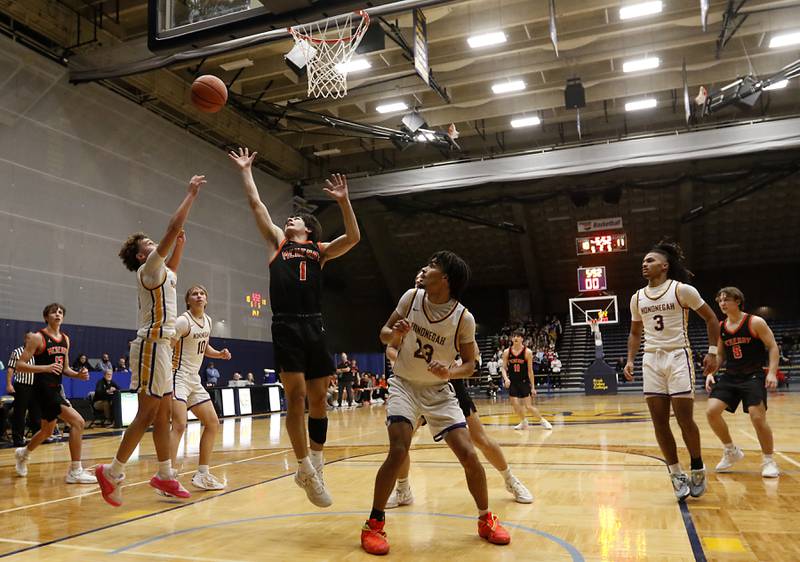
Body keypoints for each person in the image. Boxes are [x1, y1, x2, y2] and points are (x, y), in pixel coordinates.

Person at [230, 147, 359, 508]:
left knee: (320, 399)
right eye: (288, 219)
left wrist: (344, 202)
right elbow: (257, 206)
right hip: (286, 325)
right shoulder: (277, 243)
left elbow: (353, 238)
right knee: (297, 396)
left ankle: (314, 465)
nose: (290, 221)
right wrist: (245, 172)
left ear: (308, 228)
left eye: (296, 220)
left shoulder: (320, 250)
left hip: (314, 326)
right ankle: (302, 464)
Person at [361, 252, 511, 556]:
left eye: (432, 266)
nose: (425, 269)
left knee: (469, 453)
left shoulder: (462, 318)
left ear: (445, 279)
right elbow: (383, 334)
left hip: (438, 390)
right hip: (404, 384)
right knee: (399, 448)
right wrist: (396, 334)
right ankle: (374, 524)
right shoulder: (411, 297)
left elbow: (470, 365)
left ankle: (485, 519)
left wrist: (450, 371)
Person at [95, 174, 206, 507]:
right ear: (143, 256)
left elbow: (173, 263)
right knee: (146, 413)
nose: (153, 243)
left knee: (163, 416)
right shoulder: (148, 271)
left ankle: (165, 475)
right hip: (150, 345)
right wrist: (190, 195)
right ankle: (112, 472)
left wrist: (181, 246)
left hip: (163, 347)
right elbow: (171, 229)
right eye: (148, 244)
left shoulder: (164, 272)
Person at [624, 240, 720, 502]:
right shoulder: (637, 297)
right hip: (651, 359)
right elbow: (635, 332)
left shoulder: (682, 290)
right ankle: (676, 473)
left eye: (650, 260)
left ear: (664, 266)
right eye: (643, 261)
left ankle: (697, 467)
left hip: (678, 355)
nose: (645, 264)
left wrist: (712, 351)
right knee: (659, 421)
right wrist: (631, 359)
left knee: (684, 418)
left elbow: (712, 319)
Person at [13, 303, 97, 484]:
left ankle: (23, 453)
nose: (57, 314)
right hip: (42, 389)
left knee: (46, 430)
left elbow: (65, 368)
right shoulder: (37, 337)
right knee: (78, 422)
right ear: (46, 317)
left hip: (55, 388)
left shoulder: (65, 339)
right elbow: (19, 365)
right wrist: (45, 368)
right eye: (53, 312)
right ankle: (75, 471)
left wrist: (78, 375)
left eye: (60, 312)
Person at [705, 287, 780, 478]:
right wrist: (711, 373)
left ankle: (769, 460)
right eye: (720, 300)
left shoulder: (755, 322)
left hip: (753, 375)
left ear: (738, 301)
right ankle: (731, 451)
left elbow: (772, 347)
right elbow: (721, 354)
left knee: (757, 417)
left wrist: (772, 372)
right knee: (711, 411)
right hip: (731, 375)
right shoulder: (722, 327)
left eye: (726, 300)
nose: (722, 303)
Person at [169, 284, 232, 491]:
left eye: (202, 293)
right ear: (188, 300)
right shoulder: (182, 321)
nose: (198, 296)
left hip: (194, 380)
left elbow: (204, 348)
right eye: (194, 294)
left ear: (206, 300)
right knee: (179, 424)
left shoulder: (208, 321)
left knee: (213, 423)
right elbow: (167, 346)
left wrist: (219, 354)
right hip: (177, 377)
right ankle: (166, 476)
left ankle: (202, 474)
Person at [500, 331, 552, 430]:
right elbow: (503, 368)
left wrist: (533, 387)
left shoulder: (527, 352)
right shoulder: (507, 352)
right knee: (515, 404)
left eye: (518, 336)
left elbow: (530, 371)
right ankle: (523, 421)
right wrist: (506, 379)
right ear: (511, 339)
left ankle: (542, 421)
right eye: (514, 336)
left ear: (522, 339)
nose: (515, 338)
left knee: (528, 406)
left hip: (524, 381)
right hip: (513, 382)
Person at [6, 335, 41, 447]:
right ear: (25, 339)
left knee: (36, 413)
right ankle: (18, 439)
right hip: (21, 386)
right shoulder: (17, 351)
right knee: (19, 413)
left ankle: (37, 437)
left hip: (35, 387)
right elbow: (11, 368)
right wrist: (9, 384)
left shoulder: (37, 353)